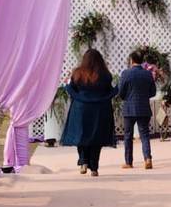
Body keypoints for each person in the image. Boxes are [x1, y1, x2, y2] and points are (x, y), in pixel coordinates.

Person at [60, 49, 118, 177]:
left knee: (81, 135)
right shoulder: (105, 75)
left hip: (81, 109)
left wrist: (67, 86)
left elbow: (72, 89)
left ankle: (83, 161)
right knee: (96, 138)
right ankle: (94, 168)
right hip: (99, 110)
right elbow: (109, 91)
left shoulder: (77, 73)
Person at [119, 50, 157, 169]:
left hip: (129, 108)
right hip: (144, 107)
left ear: (131, 60)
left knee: (128, 136)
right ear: (142, 61)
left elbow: (121, 92)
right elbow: (153, 92)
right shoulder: (148, 74)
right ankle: (148, 158)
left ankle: (129, 162)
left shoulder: (126, 73)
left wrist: (127, 97)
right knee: (144, 134)